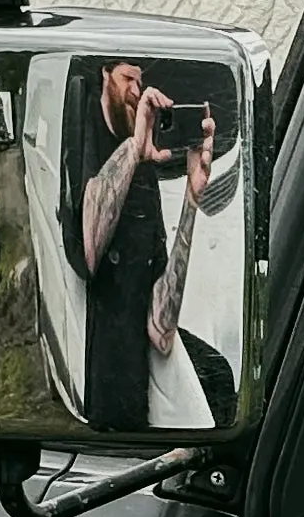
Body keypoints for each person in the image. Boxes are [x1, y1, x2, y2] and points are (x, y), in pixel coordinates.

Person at [62, 57, 216, 428]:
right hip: (83, 410)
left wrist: (192, 200)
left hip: (130, 410)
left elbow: (161, 330)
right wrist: (133, 146)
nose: (136, 91)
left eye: (140, 82)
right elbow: (88, 252)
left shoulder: (145, 175)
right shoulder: (81, 139)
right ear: (103, 75)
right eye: (127, 78)